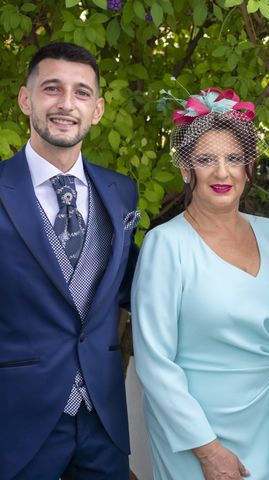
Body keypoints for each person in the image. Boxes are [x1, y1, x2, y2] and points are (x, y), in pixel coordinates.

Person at [132, 87, 269, 480]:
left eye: (234, 159)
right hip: (197, 435)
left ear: (249, 167)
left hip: (268, 416)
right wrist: (207, 450)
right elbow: (155, 362)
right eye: (206, 159)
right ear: (186, 168)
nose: (222, 172)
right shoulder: (166, 244)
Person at [0, 42, 139, 479]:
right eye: (52, 89)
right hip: (15, 422)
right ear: (27, 99)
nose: (66, 104)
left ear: (97, 109)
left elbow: (135, 288)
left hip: (103, 422)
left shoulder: (121, 193)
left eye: (81, 93)